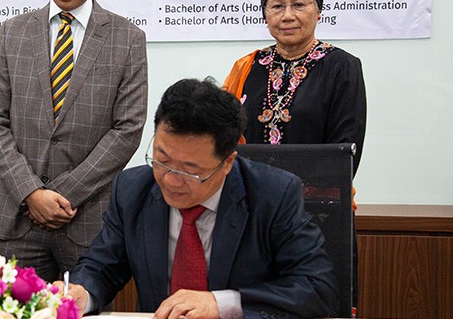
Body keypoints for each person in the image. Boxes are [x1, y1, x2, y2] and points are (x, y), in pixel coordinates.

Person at [63, 78, 339, 319]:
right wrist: (82, 293)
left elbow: (316, 287)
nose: (170, 180)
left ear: (228, 161)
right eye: (162, 160)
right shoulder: (133, 189)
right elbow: (102, 266)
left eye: (191, 171)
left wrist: (222, 303)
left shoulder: (273, 194)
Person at [0, 0, 147, 282]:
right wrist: (31, 193)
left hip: (86, 220)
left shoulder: (127, 38)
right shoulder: (13, 33)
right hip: (19, 218)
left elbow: (128, 130)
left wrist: (61, 194)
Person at [223, 0, 367, 176]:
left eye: (299, 5)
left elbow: (345, 149)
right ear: (265, 15)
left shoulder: (342, 67)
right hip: (251, 200)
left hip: (317, 203)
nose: (288, 15)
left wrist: (292, 199)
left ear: (318, 11)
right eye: (277, 6)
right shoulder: (247, 67)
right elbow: (223, 140)